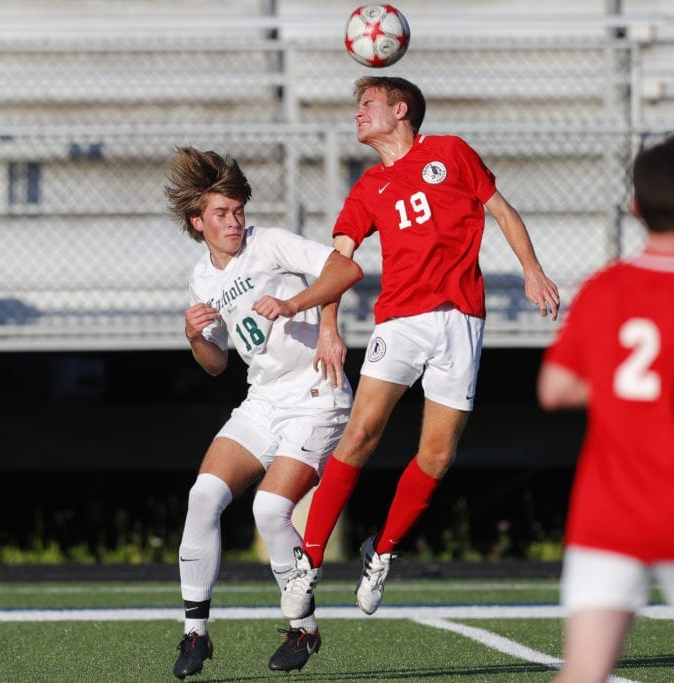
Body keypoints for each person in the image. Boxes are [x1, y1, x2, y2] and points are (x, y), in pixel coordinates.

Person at [281, 76, 561, 620]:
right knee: (360, 433)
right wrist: (330, 326)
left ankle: (380, 552)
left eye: (367, 104)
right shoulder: (367, 188)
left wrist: (532, 271)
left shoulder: (451, 153)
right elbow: (337, 262)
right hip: (400, 323)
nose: (358, 114)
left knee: (437, 454)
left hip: (461, 322)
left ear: (400, 108)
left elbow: (501, 211)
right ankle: (308, 563)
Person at [165, 146, 363, 679]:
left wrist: (304, 311)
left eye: (237, 212)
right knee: (202, 497)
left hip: (315, 394)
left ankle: (305, 628)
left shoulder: (270, 243)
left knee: (268, 512)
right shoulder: (201, 278)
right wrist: (192, 336)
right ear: (197, 222)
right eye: (221, 215)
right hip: (263, 399)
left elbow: (346, 268)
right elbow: (214, 363)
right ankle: (195, 634)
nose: (233, 222)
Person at [537, 136, 674, 682]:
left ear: (635, 206)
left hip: (612, 510)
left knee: (583, 674)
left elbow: (555, 389)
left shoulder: (607, 286)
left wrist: (625, 390)